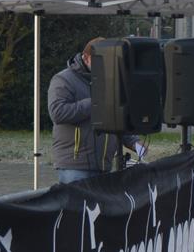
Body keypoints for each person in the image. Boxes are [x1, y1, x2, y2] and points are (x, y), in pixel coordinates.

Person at [48, 38, 141, 183]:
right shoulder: (63, 79)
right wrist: (94, 103)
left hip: (104, 165)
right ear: (86, 58)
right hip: (75, 166)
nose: (104, 65)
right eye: (99, 60)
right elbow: (57, 112)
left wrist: (134, 142)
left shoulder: (111, 81)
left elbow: (116, 118)